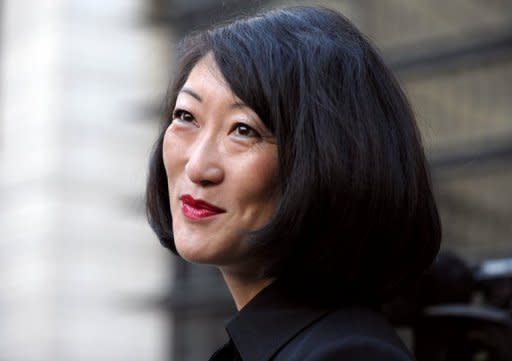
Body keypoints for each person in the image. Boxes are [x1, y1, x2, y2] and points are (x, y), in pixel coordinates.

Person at [146, 5, 441, 361]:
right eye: (186, 117)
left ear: (327, 160)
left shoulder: (347, 354)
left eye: (243, 130)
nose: (197, 167)